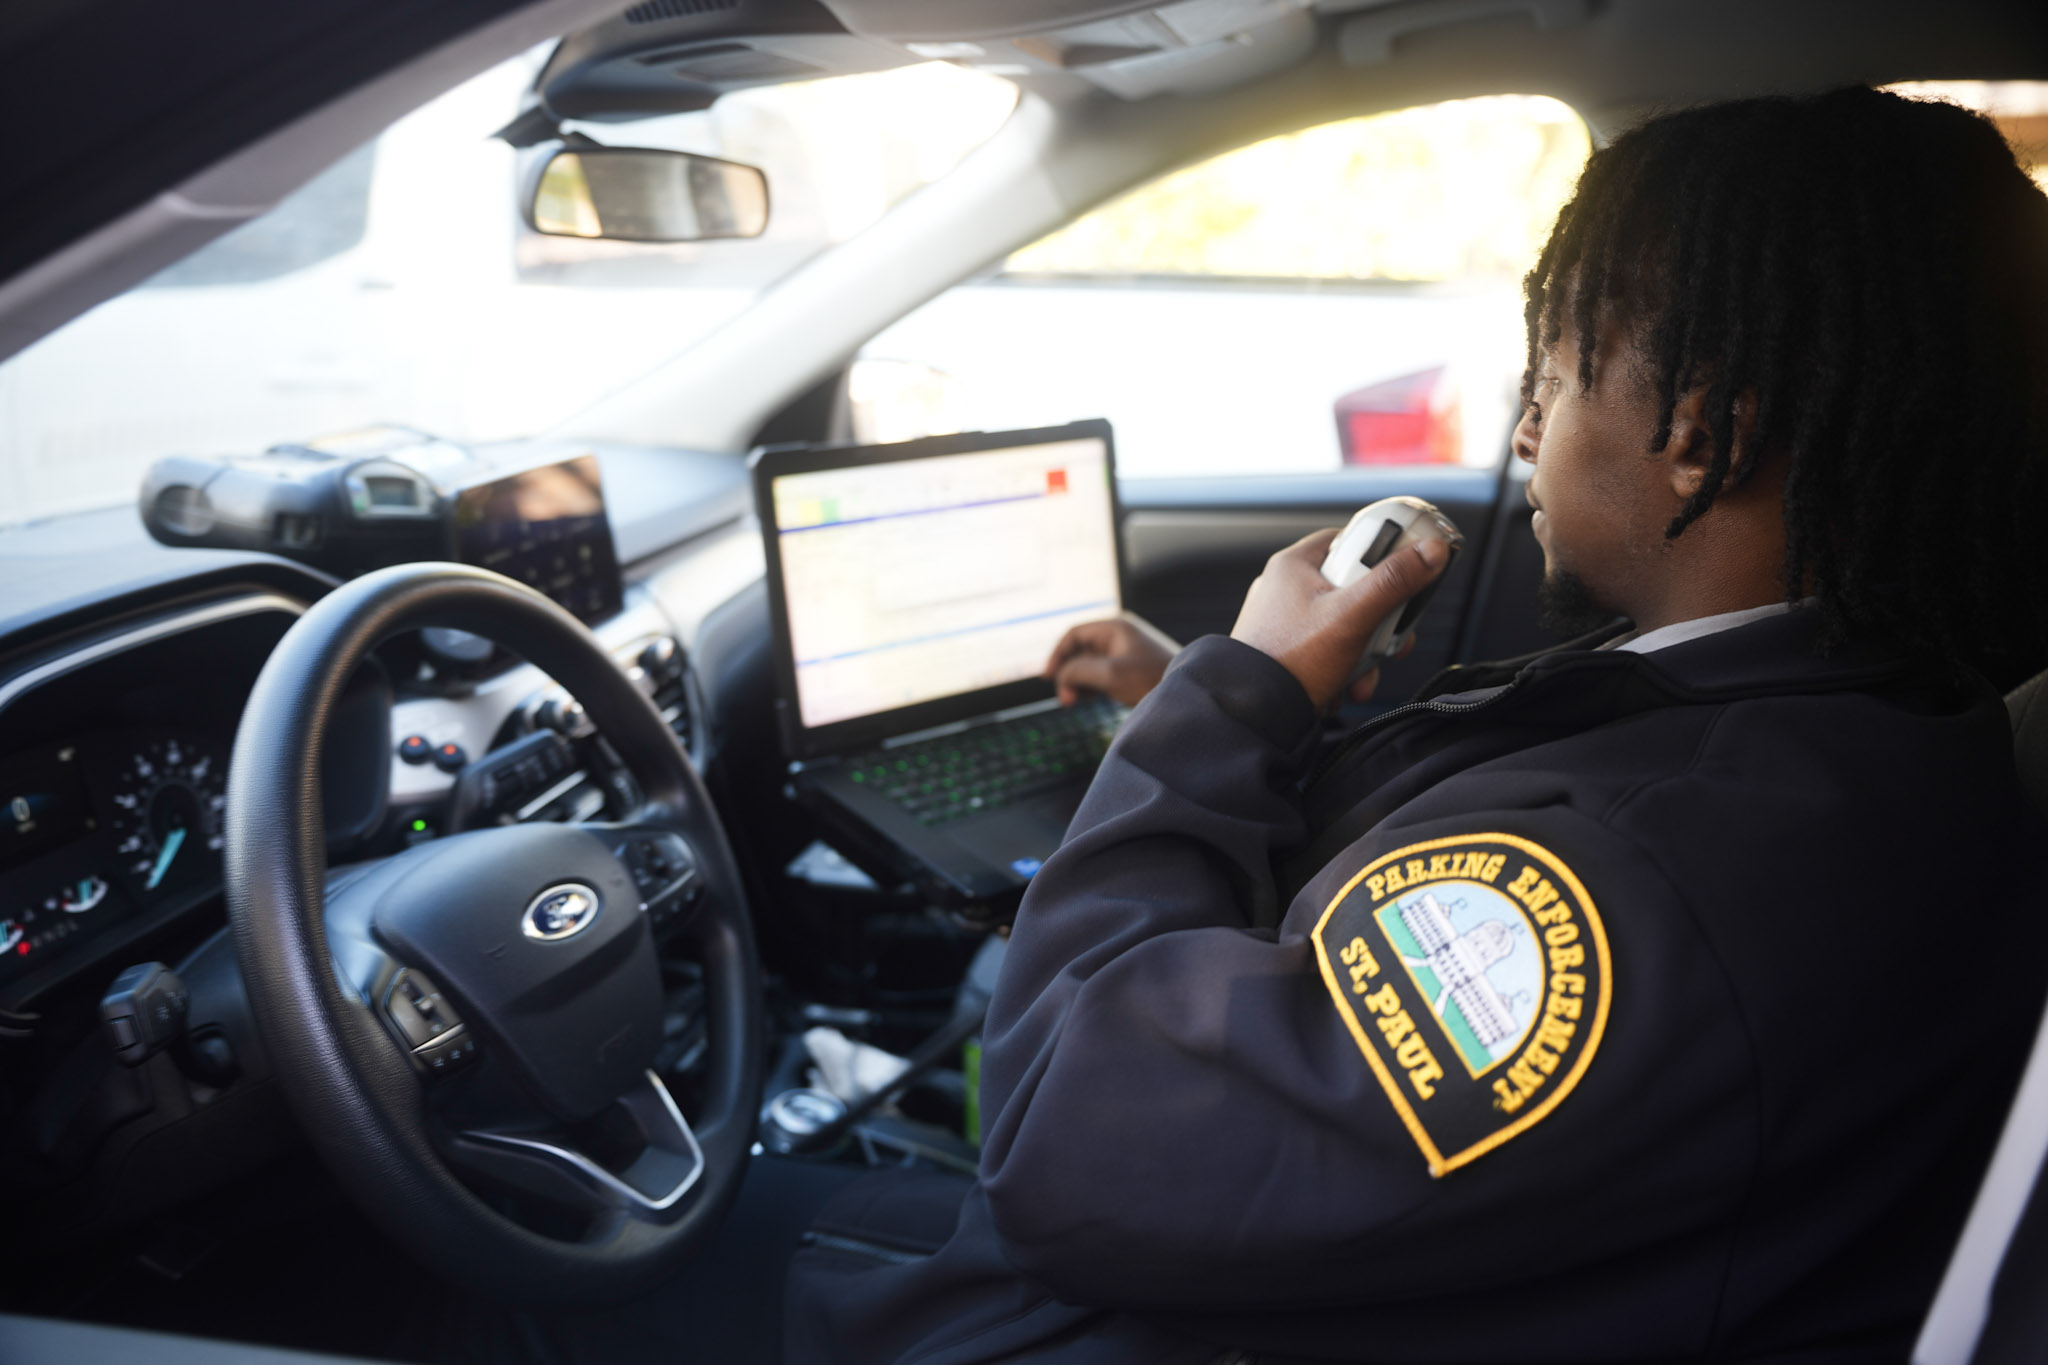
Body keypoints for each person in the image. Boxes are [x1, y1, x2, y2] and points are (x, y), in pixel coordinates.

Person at [784, 85, 2048, 1364]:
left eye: (1553, 377)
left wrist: (1229, 705)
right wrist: (1237, 712)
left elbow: (1061, 1137)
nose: (1523, 432)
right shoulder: (1854, 714)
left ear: (1701, 433)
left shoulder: (1631, 888)